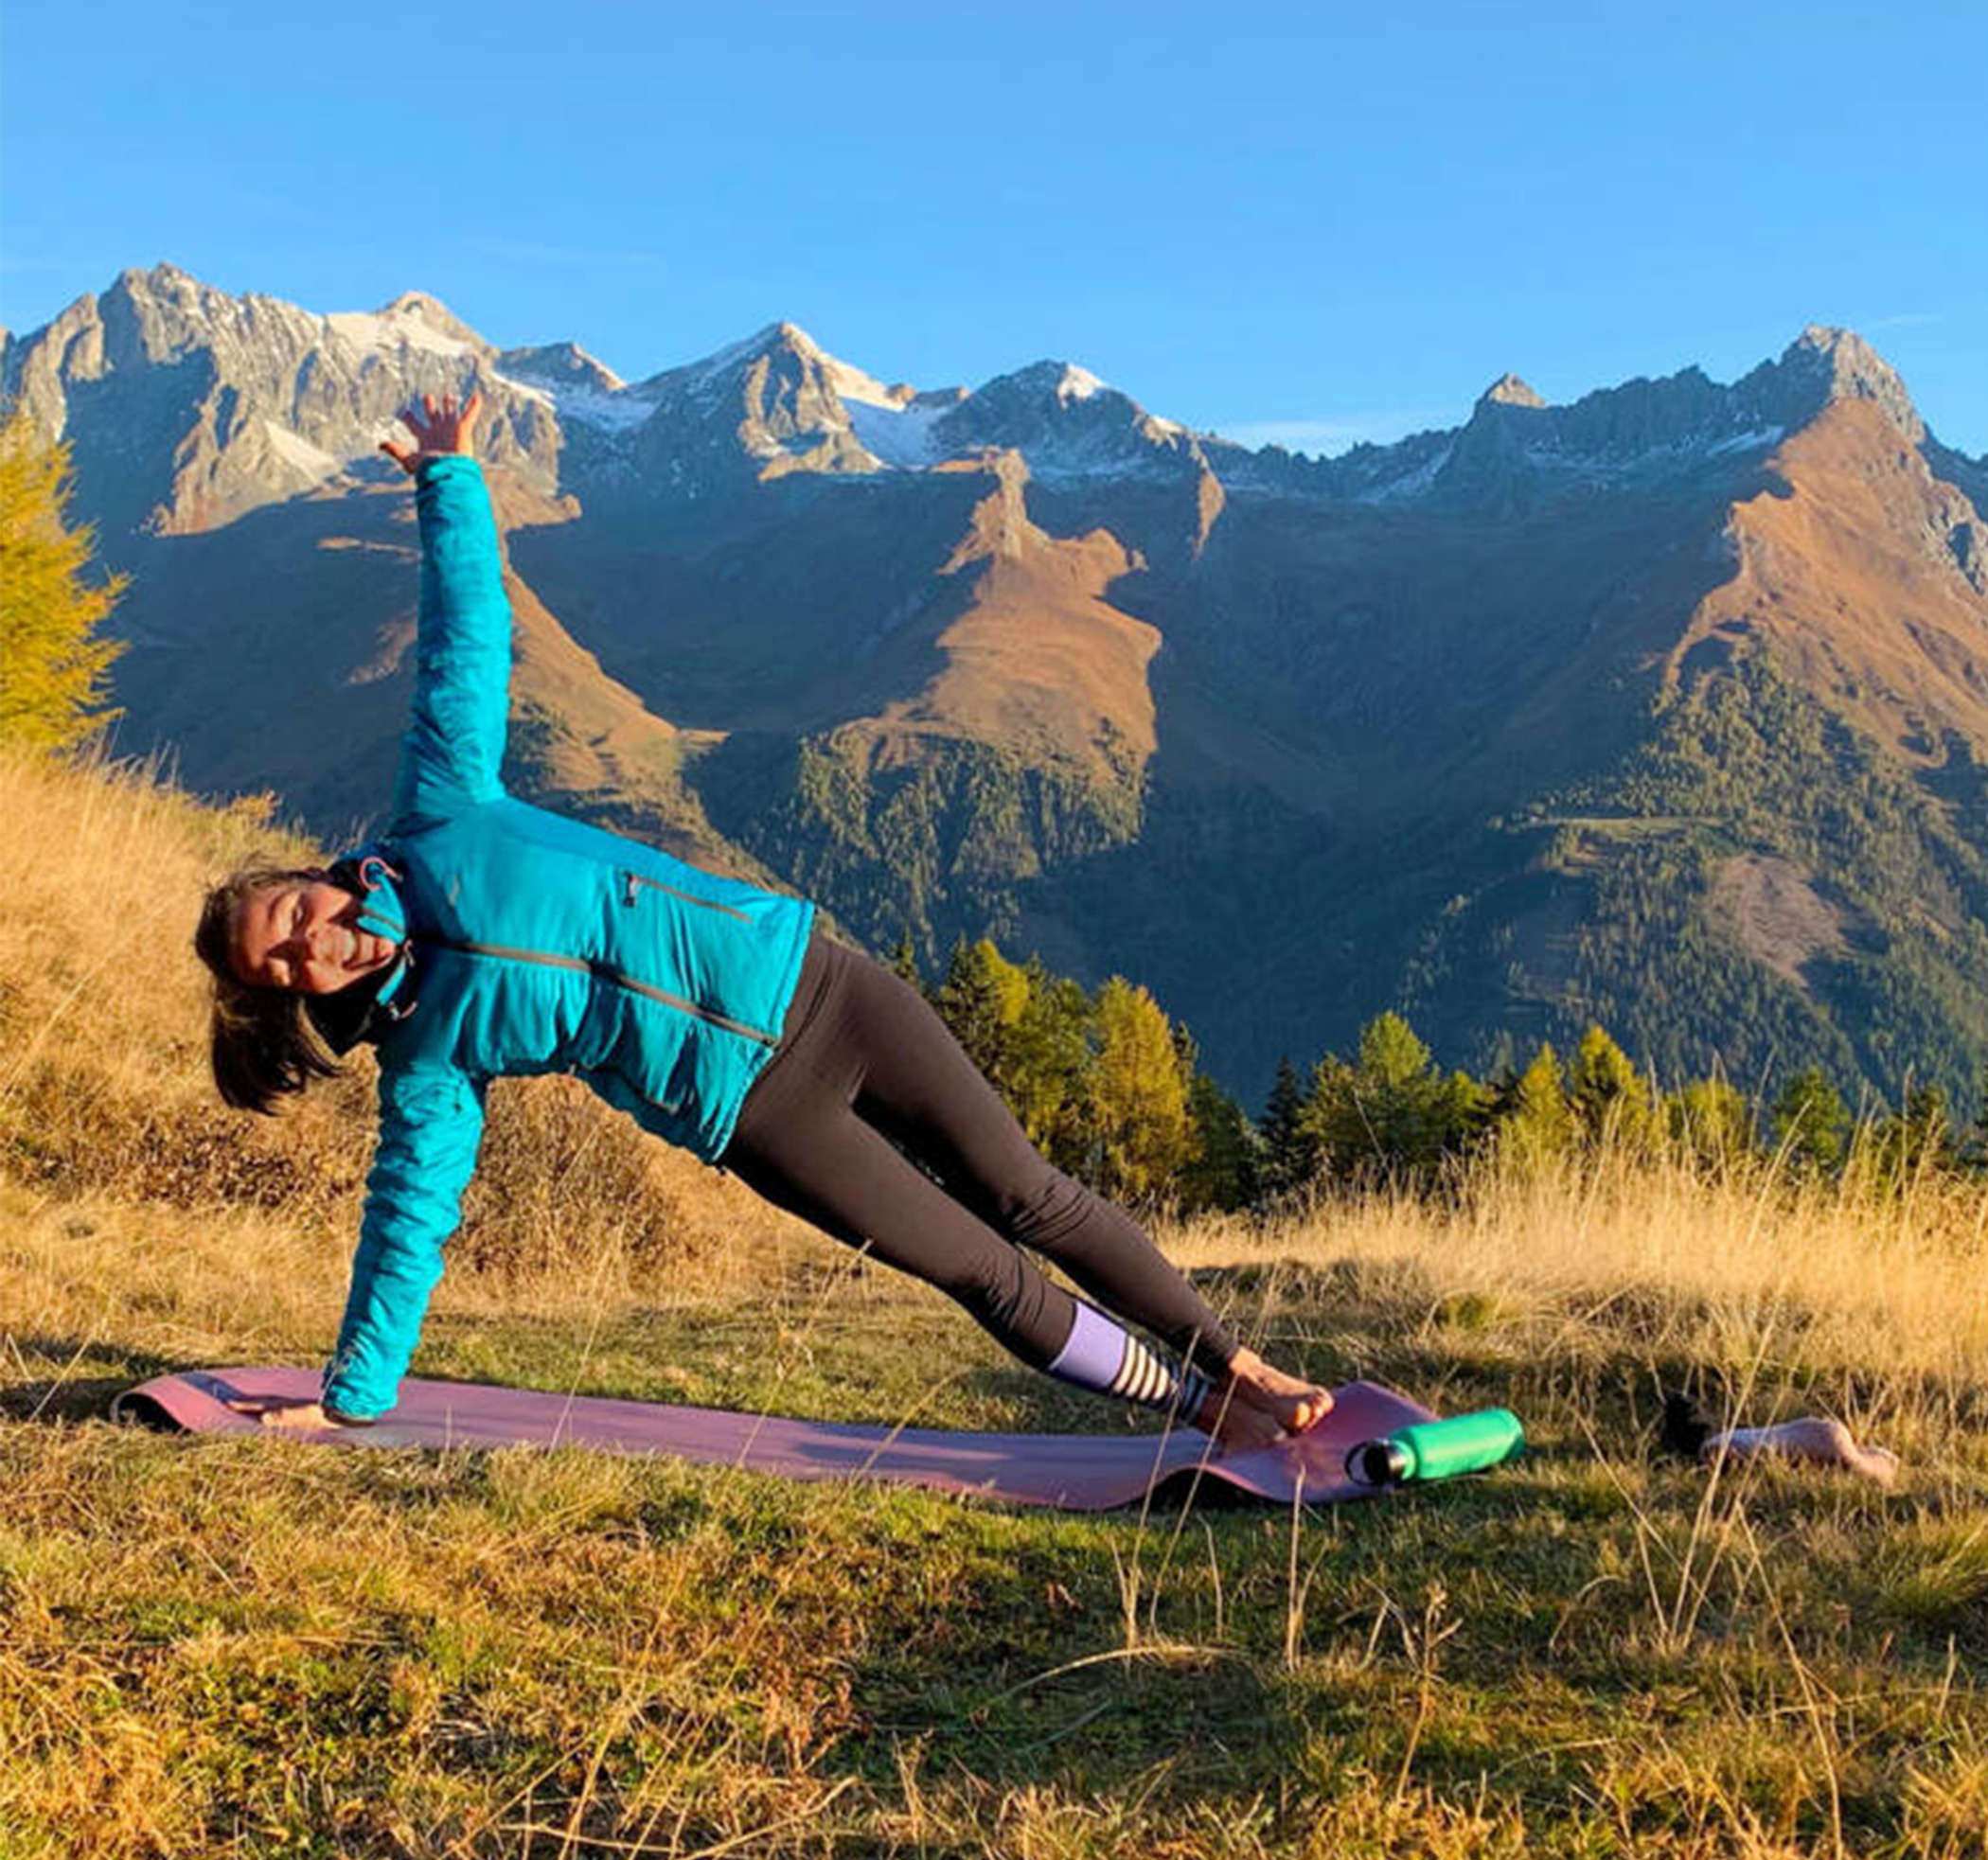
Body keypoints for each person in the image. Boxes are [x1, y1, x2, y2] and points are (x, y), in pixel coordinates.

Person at [193, 391, 1332, 1453]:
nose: (310, 944)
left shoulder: (440, 810)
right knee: (983, 1271)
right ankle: (1198, 1410)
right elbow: (407, 1221)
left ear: (315, 877)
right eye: (287, 967)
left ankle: (1245, 1368)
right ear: (301, 998)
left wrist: (448, 480)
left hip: (823, 988)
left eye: (293, 915)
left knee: (1031, 1193)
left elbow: (463, 648)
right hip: (760, 1115)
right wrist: (351, 1398)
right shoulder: (426, 1058)